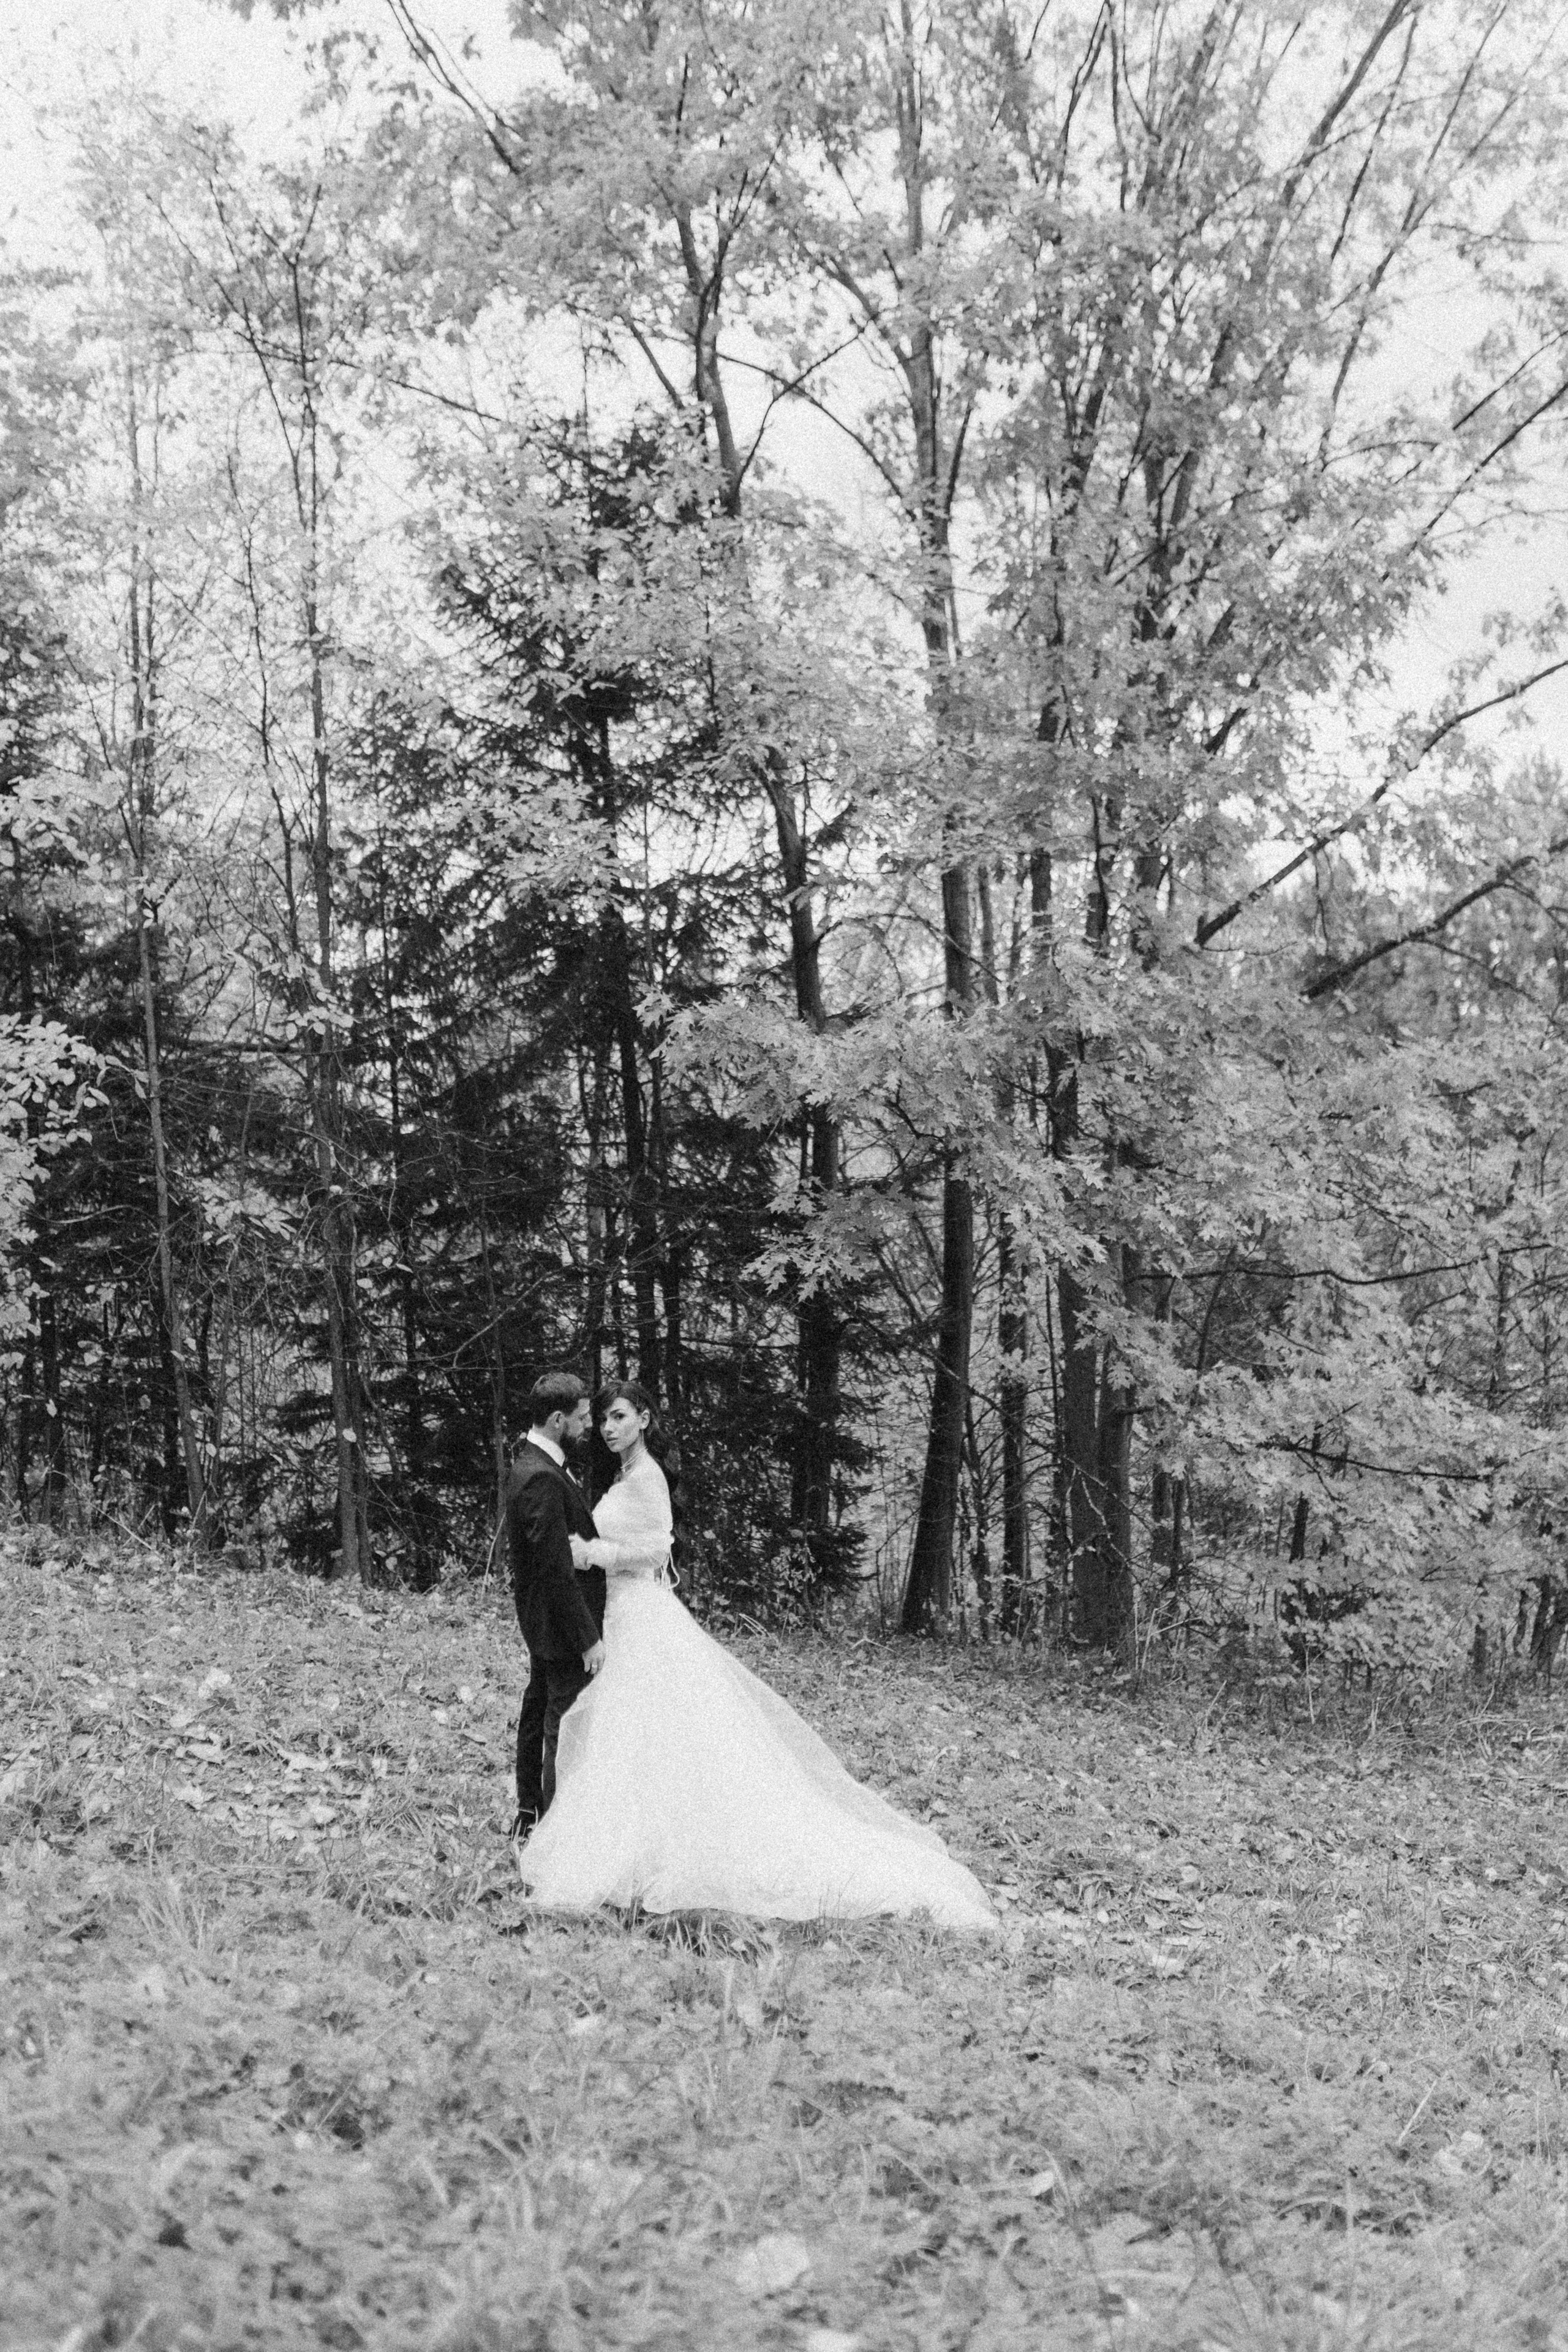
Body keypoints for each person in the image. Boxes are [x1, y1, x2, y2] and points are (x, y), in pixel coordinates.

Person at [517, 1380, 998, 1931]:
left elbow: (658, 1548)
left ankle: (648, 1845)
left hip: (641, 1611)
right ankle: (628, 1835)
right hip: (621, 1613)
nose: (608, 1428)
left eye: (620, 1417)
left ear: (645, 1419)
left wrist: (594, 1553)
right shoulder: (624, 1474)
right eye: (602, 1419)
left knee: (648, 1728)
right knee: (636, 1733)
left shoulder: (647, 1477)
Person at [506, 1371, 605, 1839]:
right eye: (583, 1417)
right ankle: (555, 1836)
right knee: (560, 1729)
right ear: (557, 1419)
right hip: (560, 1628)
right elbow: (554, 1570)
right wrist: (587, 1639)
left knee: (539, 1714)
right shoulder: (542, 1477)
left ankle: (528, 1816)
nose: (590, 1425)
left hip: (543, 1624)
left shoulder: (534, 1462)